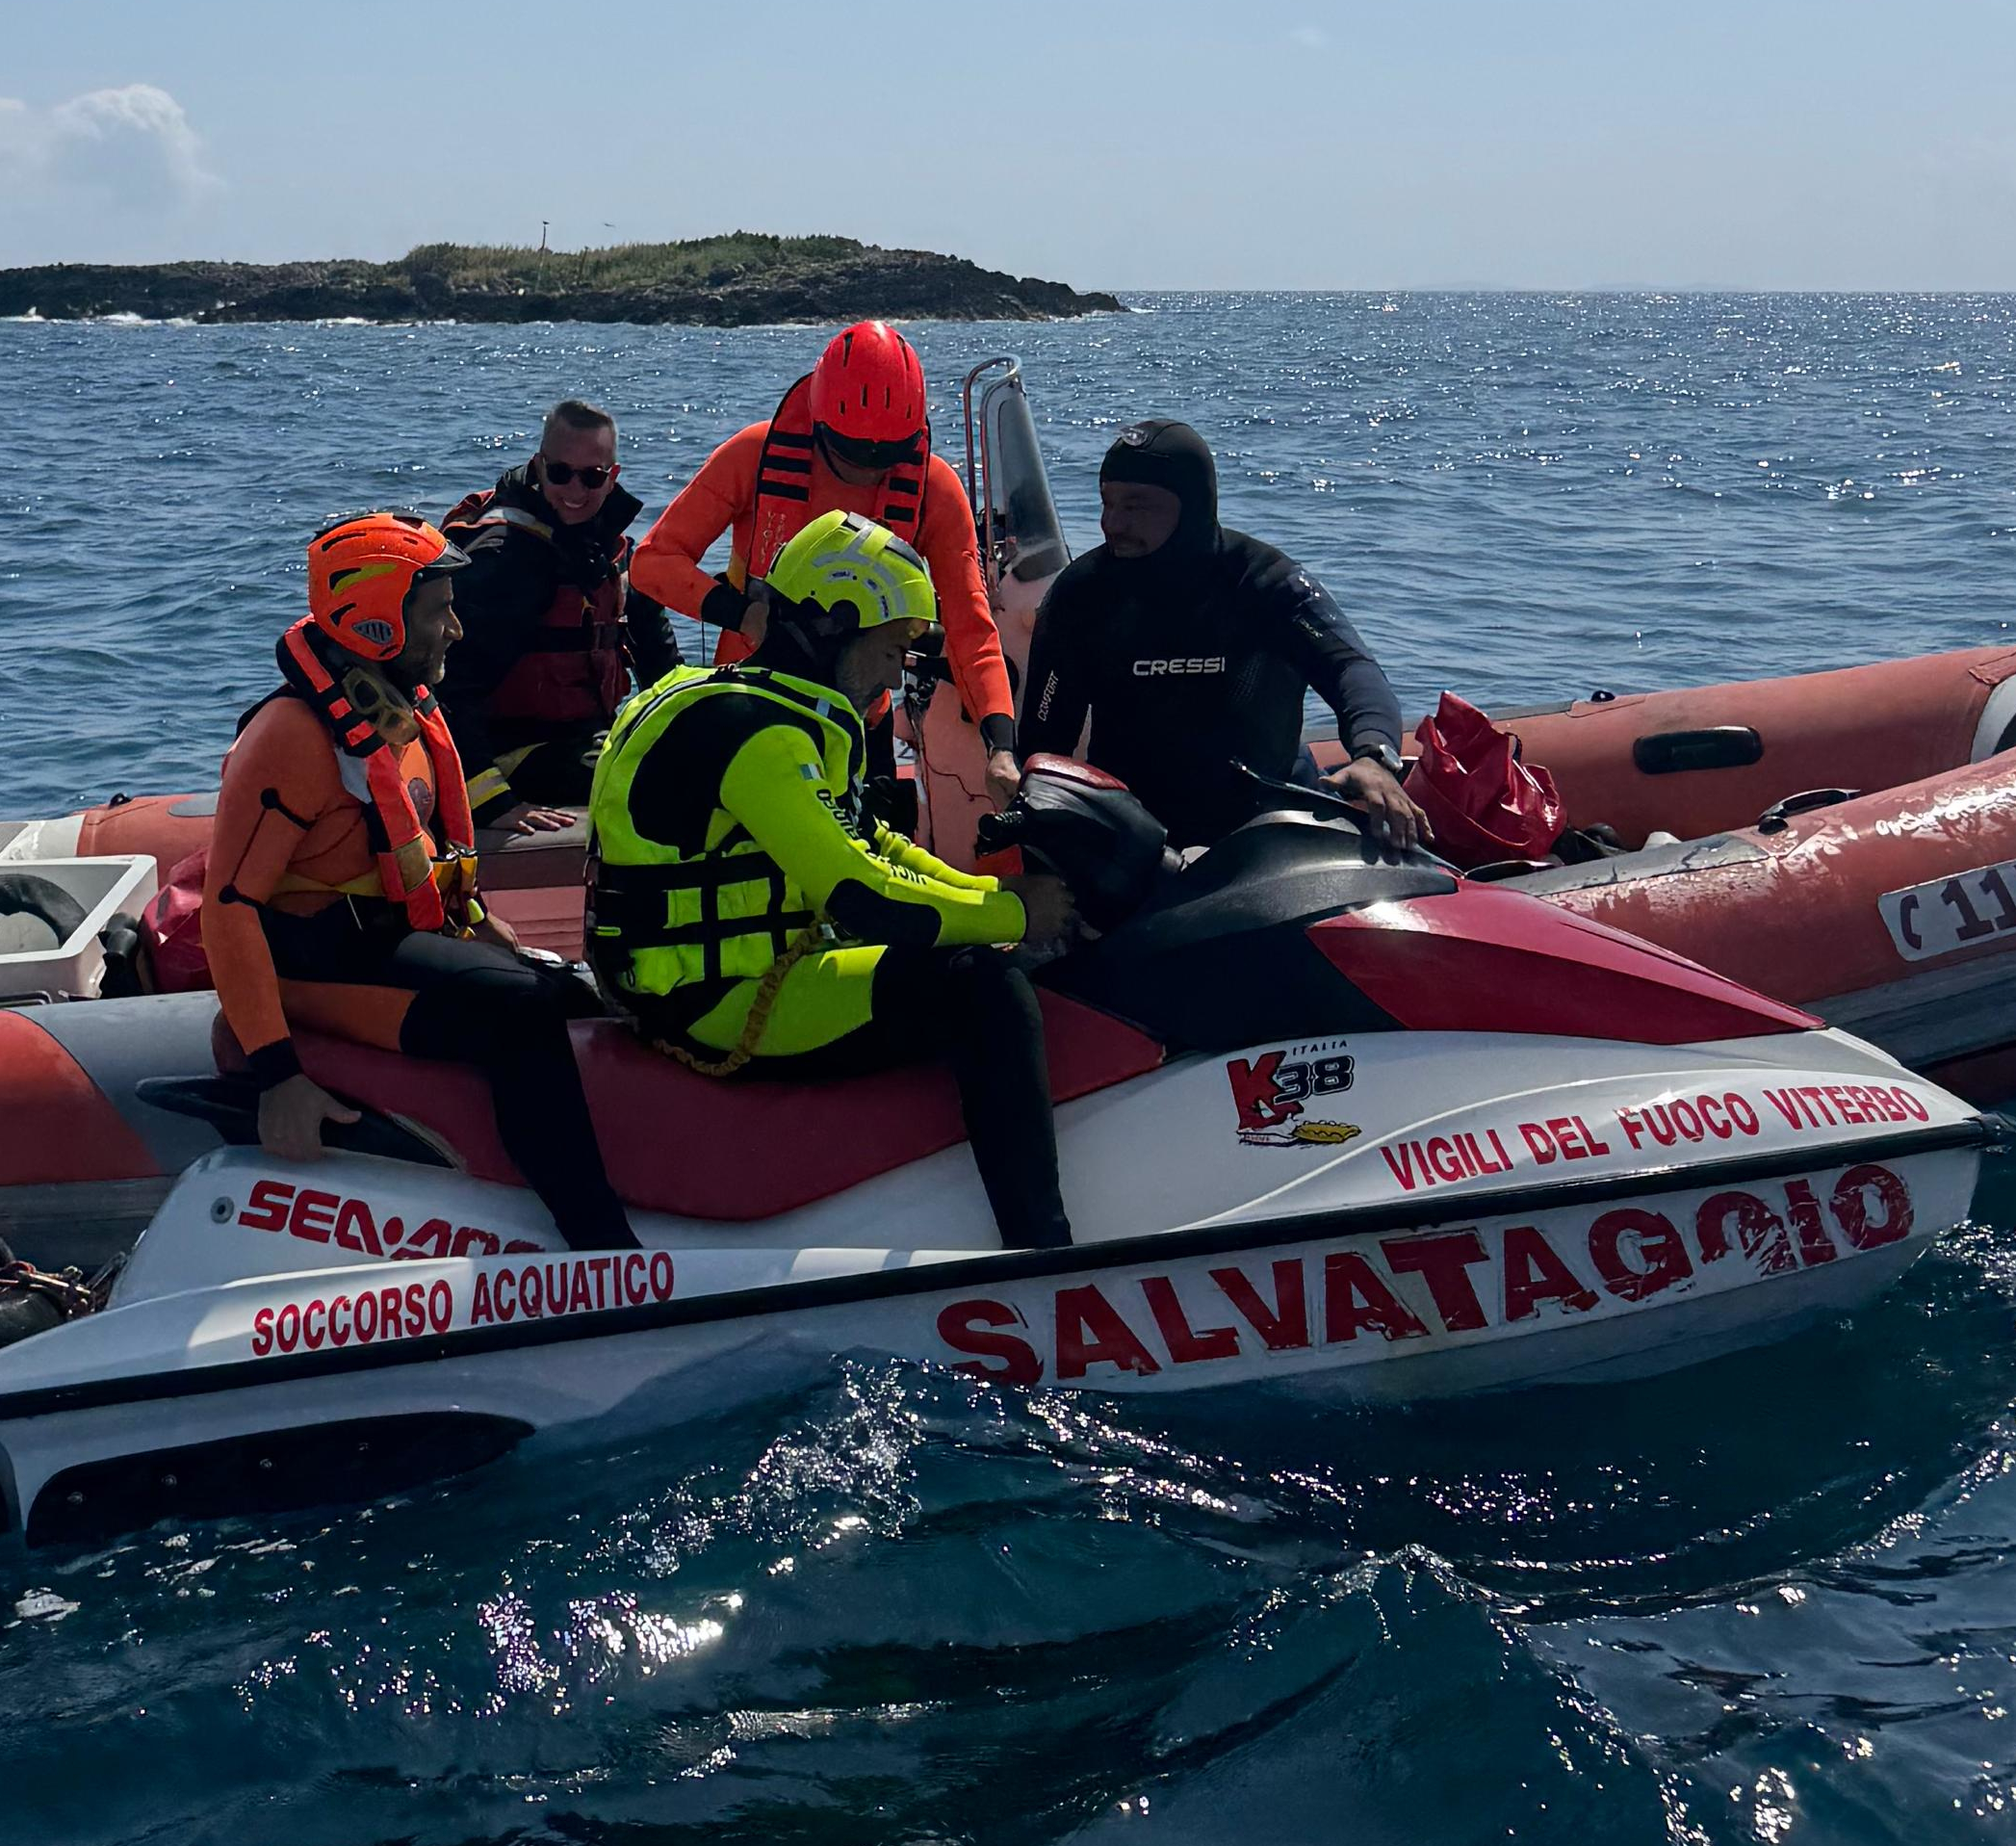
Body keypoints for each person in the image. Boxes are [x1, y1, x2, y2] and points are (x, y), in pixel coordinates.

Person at [586, 510, 1080, 1251]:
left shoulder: (749, 701)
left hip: (715, 975)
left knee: (991, 947)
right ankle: (1042, 1248)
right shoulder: (763, 739)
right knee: (986, 986)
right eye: (888, 648)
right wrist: (1011, 922)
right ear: (830, 626)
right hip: (714, 1003)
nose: (892, 673)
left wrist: (997, 896)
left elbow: (875, 843)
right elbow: (862, 895)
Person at [205, 512, 634, 1249]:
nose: (457, 631)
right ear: (377, 622)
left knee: (573, 989)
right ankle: (597, 1240)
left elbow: (417, 859)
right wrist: (278, 1075)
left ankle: (634, 1181)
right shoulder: (291, 740)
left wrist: (487, 932)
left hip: (389, 941)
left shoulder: (400, 712)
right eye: (440, 611)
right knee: (519, 1012)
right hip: (315, 969)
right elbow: (229, 910)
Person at [628, 321, 1021, 813]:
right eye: (851, 454)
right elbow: (652, 564)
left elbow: (969, 623)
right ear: (817, 424)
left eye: (889, 456)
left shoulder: (934, 488)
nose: (870, 470)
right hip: (751, 709)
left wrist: (1000, 746)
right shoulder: (754, 454)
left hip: (861, 721)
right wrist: (741, 613)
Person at [1020, 417, 1422, 849]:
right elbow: (1044, 745)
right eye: (1107, 502)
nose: (1112, 523)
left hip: (1274, 823)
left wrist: (1374, 755)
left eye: (1135, 506)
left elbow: (1350, 668)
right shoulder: (1082, 596)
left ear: (1191, 506)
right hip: (1141, 843)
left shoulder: (1265, 582)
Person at [434, 399, 684, 818]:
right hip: (506, 752)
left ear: (612, 477)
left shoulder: (613, 553)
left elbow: (664, 671)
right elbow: (449, 689)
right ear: (539, 464)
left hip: (583, 739)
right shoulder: (504, 558)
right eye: (560, 473)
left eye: (592, 477)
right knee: (657, 780)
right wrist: (493, 805)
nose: (574, 491)